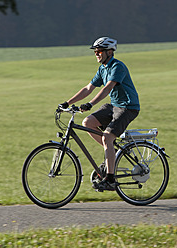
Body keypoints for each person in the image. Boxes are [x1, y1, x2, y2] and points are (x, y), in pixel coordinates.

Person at [59, 37, 140, 191]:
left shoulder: (117, 67)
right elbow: (88, 88)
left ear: (110, 52)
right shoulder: (103, 68)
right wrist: (67, 103)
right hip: (114, 106)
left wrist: (90, 104)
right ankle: (113, 153)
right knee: (87, 123)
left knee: (107, 137)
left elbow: (107, 88)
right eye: (95, 51)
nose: (96, 54)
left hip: (128, 107)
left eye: (99, 51)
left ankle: (110, 179)